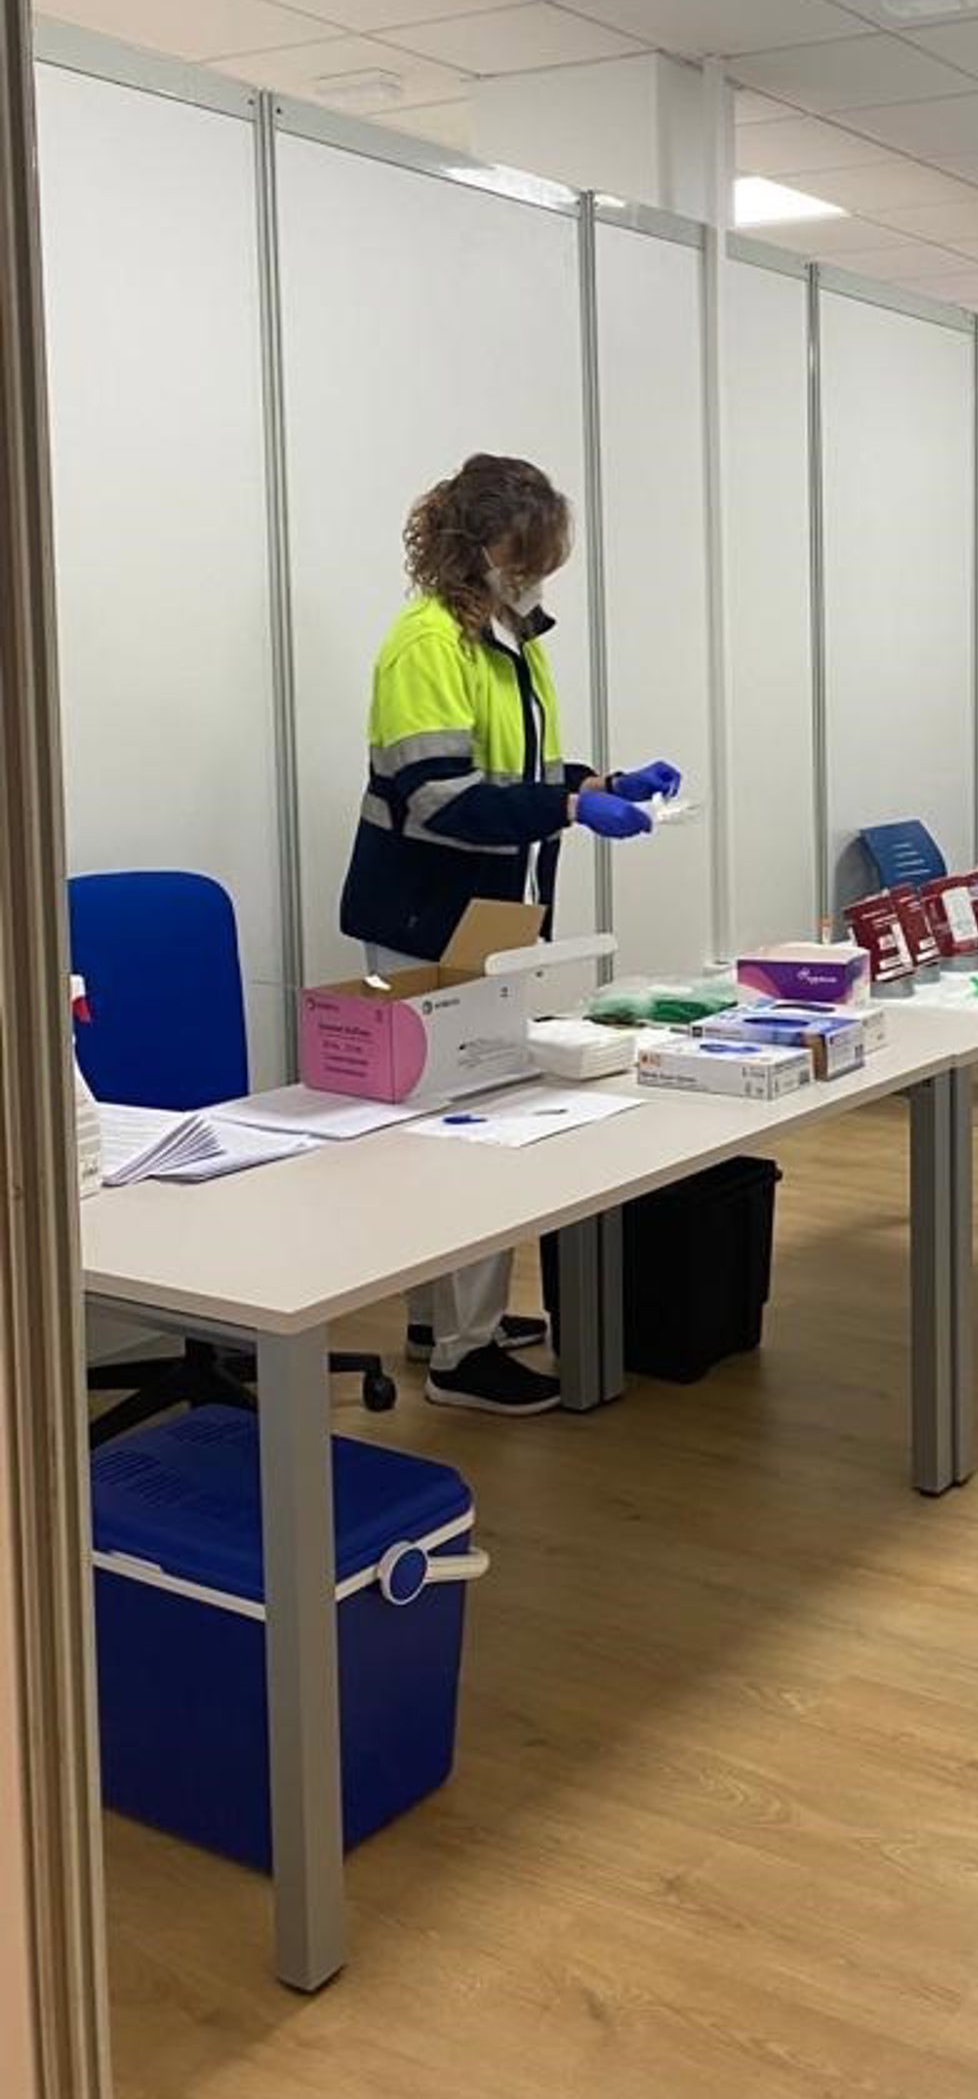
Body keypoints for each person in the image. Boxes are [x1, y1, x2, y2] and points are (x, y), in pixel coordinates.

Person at [340, 454, 679, 1414]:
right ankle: (463, 1354)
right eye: (523, 554)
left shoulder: (508, 640)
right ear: (475, 545)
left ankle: (436, 1322)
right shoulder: (425, 644)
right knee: (464, 1127)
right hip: (424, 916)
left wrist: (596, 782)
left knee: (450, 1117)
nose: (534, 573)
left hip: (484, 911)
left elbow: (514, 771)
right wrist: (570, 806)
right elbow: (441, 797)